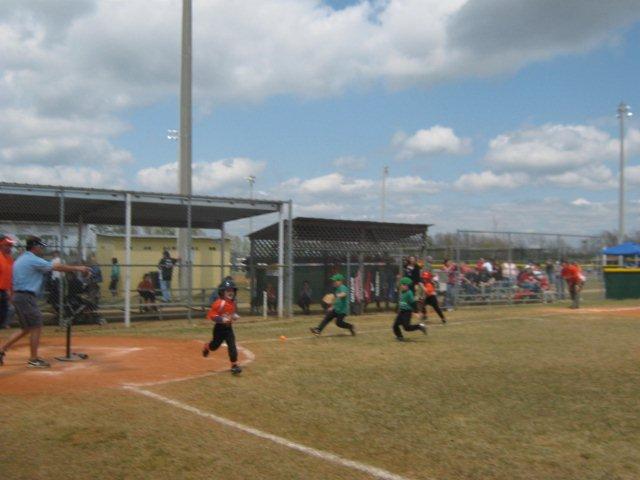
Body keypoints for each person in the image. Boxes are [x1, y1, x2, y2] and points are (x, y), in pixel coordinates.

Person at [0, 237, 90, 368]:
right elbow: (57, 267)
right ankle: (33, 359)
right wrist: (79, 268)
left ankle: (2, 349)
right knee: (36, 326)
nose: (42, 249)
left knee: (26, 329)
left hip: (20, 296)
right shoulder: (31, 259)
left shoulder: (22, 258)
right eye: (40, 246)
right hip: (25, 296)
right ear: (34, 246)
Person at [202, 278, 242, 375]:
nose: (230, 292)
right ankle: (207, 346)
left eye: (232, 290)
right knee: (214, 346)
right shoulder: (219, 303)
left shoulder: (233, 303)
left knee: (232, 345)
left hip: (228, 328)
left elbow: (230, 313)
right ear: (222, 292)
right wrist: (221, 319)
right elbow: (212, 316)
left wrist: (234, 316)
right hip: (219, 329)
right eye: (228, 290)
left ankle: (234, 365)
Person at [0, 235, 16, 329]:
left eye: (10, 246)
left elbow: (10, 276)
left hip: (4, 290)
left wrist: (11, 291)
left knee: (5, 311)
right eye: (7, 245)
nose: (9, 247)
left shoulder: (9, 259)